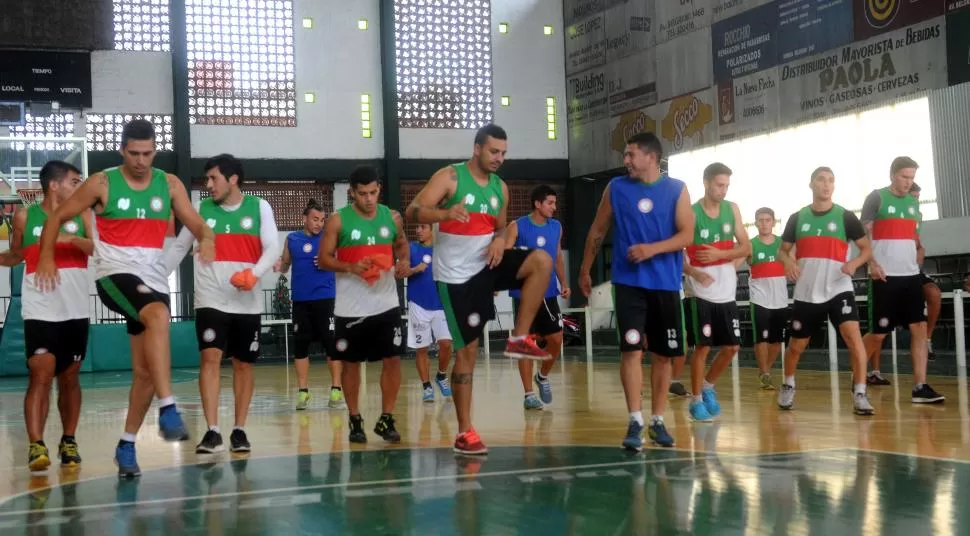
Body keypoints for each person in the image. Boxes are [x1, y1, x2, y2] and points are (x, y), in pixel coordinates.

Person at [34, 119, 215, 478]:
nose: (141, 160)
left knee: (145, 373)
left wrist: (207, 238)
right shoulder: (102, 182)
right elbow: (57, 216)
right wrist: (45, 256)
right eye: (134, 153)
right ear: (122, 150)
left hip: (151, 280)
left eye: (147, 153)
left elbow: (197, 224)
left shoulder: (170, 184)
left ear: (154, 151)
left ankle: (127, 445)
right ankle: (168, 408)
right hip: (114, 275)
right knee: (159, 315)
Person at [407, 124, 553, 455]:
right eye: (493, 151)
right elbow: (413, 210)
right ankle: (464, 431)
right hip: (456, 277)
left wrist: (501, 242)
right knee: (467, 353)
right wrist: (444, 213)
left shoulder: (501, 188)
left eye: (503, 152)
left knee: (541, 262)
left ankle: (520, 337)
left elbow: (500, 229)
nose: (499, 158)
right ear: (477, 149)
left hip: (487, 263)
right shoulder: (451, 177)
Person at [579, 131, 693, 450]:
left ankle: (658, 420)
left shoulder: (677, 190)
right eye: (626, 155)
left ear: (651, 158)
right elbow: (597, 231)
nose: (626, 160)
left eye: (631, 155)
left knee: (662, 355)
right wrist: (585, 269)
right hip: (628, 284)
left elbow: (687, 236)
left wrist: (651, 249)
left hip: (666, 285)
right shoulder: (616, 188)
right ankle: (635, 419)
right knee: (631, 350)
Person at [162, 154, 282, 454]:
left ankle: (239, 430)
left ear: (233, 179)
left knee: (243, 365)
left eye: (214, 178)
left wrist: (254, 274)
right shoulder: (201, 210)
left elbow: (272, 247)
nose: (208, 184)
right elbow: (179, 247)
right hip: (211, 298)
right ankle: (213, 431)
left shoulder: (259, 207)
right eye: (206, 179)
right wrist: (155, 277)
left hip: (246, 301)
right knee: (210, 359)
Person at [0, 161, 92, 471]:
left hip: (75, 309)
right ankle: (36, 445)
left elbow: (99, 249)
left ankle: (69, 439)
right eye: (74, 181)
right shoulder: (26, 216)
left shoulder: (82, 215)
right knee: (40, 374)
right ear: (54, 185)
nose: (79, 187)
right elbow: (16, 256)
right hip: (40, 308)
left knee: (69, 377)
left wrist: (71, 241)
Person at [317, 165, 409, 443]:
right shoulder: (337, 221)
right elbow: (323, 259)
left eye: (373, 192)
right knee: (351, 364)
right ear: (351, 193)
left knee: (392, 360)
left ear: (379, 188)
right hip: (351, 307)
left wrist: (403, 261)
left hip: (386, 302)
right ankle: (355, 418)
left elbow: (402, 244)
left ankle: (386, 418)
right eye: (363, 194)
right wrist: (350, 266)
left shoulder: (392, 218)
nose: (369, 199)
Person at [775, 167, 874, 415]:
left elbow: (867, 249)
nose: (826, 185)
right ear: (811, 185)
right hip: (807, 292)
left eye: (830, 180)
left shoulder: (845, 217)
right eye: (821, 180)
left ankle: (860, 392)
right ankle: (788, 385)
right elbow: (782, 250)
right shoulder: (797, 218)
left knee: (853, 338)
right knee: (796, 346)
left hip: (839, 287)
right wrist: (788, 262)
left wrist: (854, 263)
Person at [860, 158, 943, 403]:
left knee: (918, 328)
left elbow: (913, 239)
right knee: (878, 333)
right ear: (893, 175)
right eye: (905, 176)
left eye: (912, 177)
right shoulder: (876, 198)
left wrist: (917, 257)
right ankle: (858, 374)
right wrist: (872, 264)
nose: (909, 182)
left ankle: (920, 386)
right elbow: (864, 237)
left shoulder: (913, 205)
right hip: (885, 276)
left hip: (910, 277)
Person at [683, 163, 750, 422]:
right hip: (699, 292)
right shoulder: (691, 214)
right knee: (702, 347)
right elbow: (677, 255)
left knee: (732, 347)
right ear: (706, 183)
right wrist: (693, 271)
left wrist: (722, 254)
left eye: (727, 186)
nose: (723, 190)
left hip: (726, 292)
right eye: (719, 185)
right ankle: (696, 399)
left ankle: (709, 385)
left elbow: (745, 248)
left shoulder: (732, 209)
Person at [275, 199, 344, 410]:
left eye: (322, 220)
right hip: (301, 301)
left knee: (331, 345)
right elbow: (285, 265)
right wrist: (279, 264)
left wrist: (328, 261)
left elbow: (342, 262)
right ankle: (303, 392)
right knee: (301, 346)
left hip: (326, 299)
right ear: (304, 218)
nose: (319, 224)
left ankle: (336, 390)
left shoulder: (329, 239)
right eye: (315, 219)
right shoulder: (292, 239)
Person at [506, 184, 569, 409]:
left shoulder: (556, 227)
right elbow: (506, 255)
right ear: (538, 204)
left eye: (555, 202)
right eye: (550, 203)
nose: (555, 207)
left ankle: (542, 376)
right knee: (526, 343)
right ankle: (528, 395)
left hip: (549, 293)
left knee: (556, 339)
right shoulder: (517, 226)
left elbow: (558, 257)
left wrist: (564, 282)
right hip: (523, 294)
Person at [403, 223, 453, 403]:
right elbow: (399, 272)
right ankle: (426, 386)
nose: (418, 230)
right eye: (417, 227)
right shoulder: (411, 248)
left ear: (432, 230)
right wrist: (415, 270)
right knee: (421, 348)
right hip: (418, 304)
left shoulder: (442, 250)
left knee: (446, 344)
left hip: (440, 305)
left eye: (422, 227)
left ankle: (441, 375)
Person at [747, 207, 789, 390]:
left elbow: (794, 260)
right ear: (755, 223)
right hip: (760, 298)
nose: (764, 223)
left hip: (780, 299)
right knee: (761, 339)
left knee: (776, 340)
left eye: (767, 220)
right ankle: (765, 373)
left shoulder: (783, 244)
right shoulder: (750, 245)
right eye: (760, 220)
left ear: (773, 222)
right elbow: (735, 259)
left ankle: (766, 370)